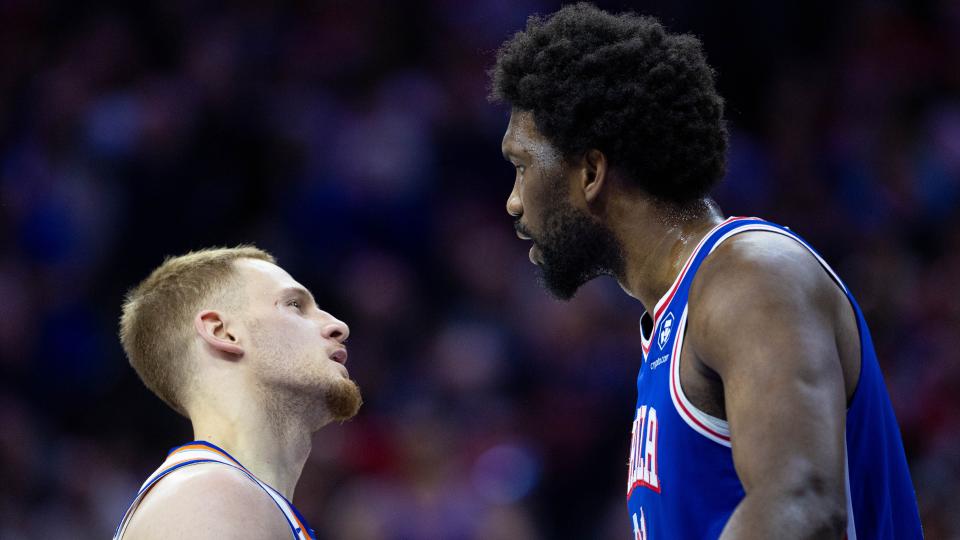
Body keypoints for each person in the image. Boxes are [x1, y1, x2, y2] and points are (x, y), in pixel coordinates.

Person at [491, 4, 922, 539]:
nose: (512, 202)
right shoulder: (671, 325)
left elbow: (802, 507)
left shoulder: (753, 276)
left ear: (592, 172)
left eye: (523, 167)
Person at [112, 246, 361, 539]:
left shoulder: (234, 497)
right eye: (294, 305)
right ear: (222, 332)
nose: (338, 326)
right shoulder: (208, 496)